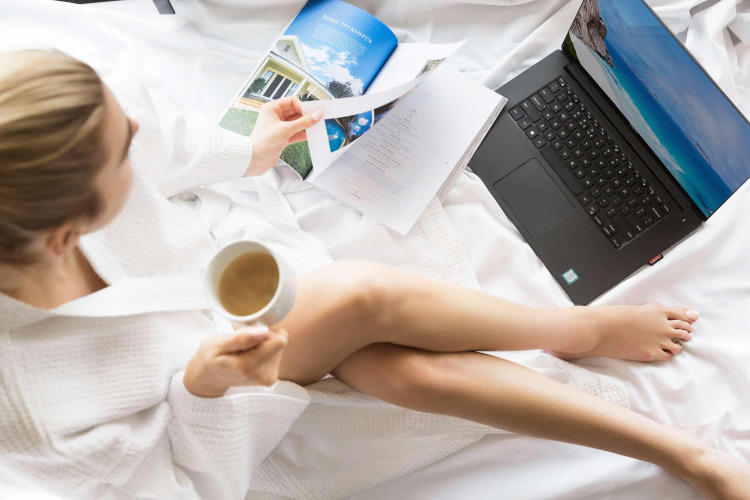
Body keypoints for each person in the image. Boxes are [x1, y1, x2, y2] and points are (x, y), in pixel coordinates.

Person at [0, 49, 747, 500]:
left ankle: (682, 452)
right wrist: (205, 389)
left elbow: (155, 141)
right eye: (122, 149)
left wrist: (244, 150)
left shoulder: (28, 152)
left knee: (398, 371)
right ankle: (577, 334)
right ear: (66, 234)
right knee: (359, 298)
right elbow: (174, 486)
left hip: (237, 297)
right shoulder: (28, 407)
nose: (138, 130)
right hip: (216, 410)